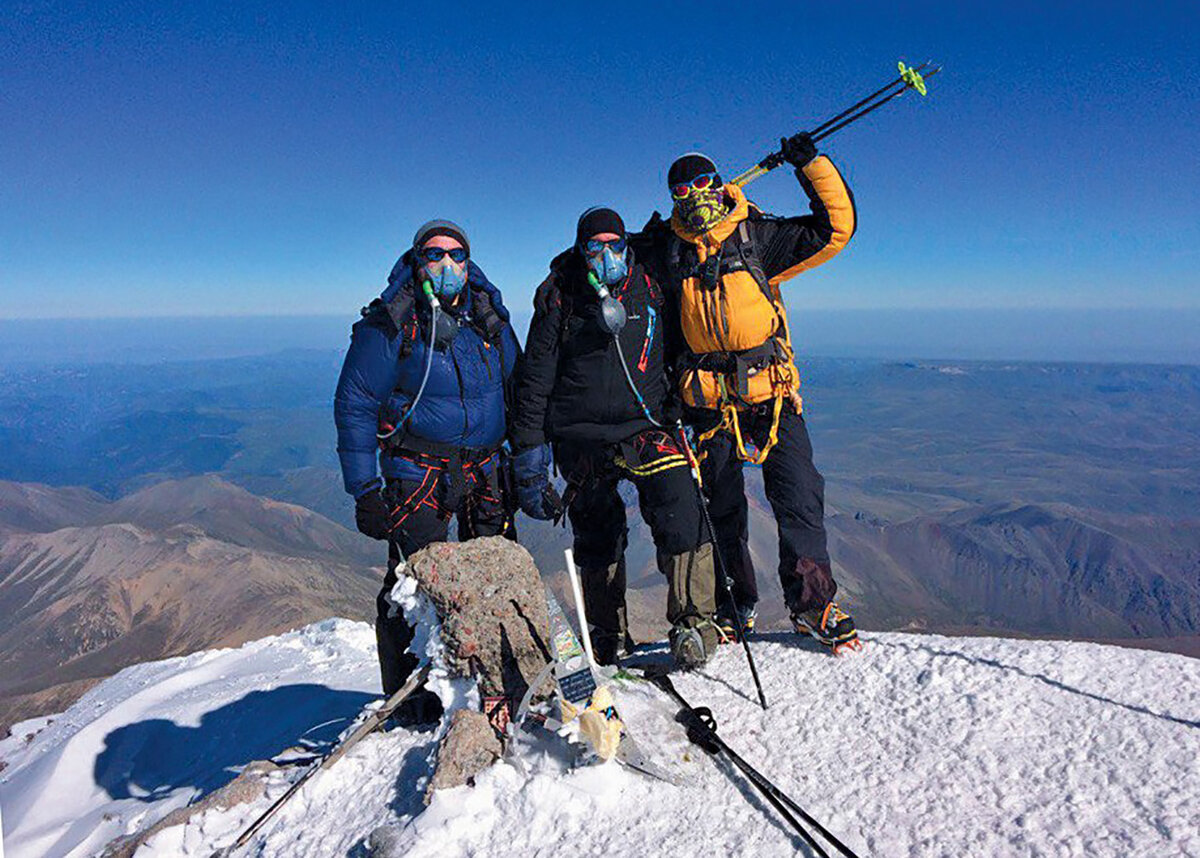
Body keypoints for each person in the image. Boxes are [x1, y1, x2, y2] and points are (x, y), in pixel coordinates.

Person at [631, 134, 862, 653]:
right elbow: (613, 251)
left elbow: (834, 229)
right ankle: (735, 606)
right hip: (709, 402)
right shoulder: (668, 251)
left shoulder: (755, 236)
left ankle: (812, 604)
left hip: (771, 393)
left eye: (702, 181)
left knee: (798, 495)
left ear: (719, 182)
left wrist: (812, 165)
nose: (693, 193)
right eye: (680, 188)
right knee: (722, 507)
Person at [509, 207, 720, 668]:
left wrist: (682, 409)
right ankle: (606, 634)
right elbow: (535, 379)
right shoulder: (560, 298)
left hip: (646, 426)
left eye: (615, 245)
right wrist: (529, 450)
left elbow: (679, 349)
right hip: (580, 433)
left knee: (680, 503)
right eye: (594, 247)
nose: (606, 255)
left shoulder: (651, 286)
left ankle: (694, 624)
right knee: (596, 529)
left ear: (628, 245)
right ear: (580, 251)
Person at [334, 219, 524, 700]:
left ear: (469, 262)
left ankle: (500, 678)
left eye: (456, 255)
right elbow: (356, 402)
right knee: (411, 584)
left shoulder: (489, 319)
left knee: (496, 575)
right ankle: (409, 697)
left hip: (485, 469)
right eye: (434, 255)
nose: (446, 265)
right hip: (417, 472)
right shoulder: (392, 322)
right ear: (418, 262)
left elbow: (518, 392)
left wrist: (526, 465)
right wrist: (365, 489)